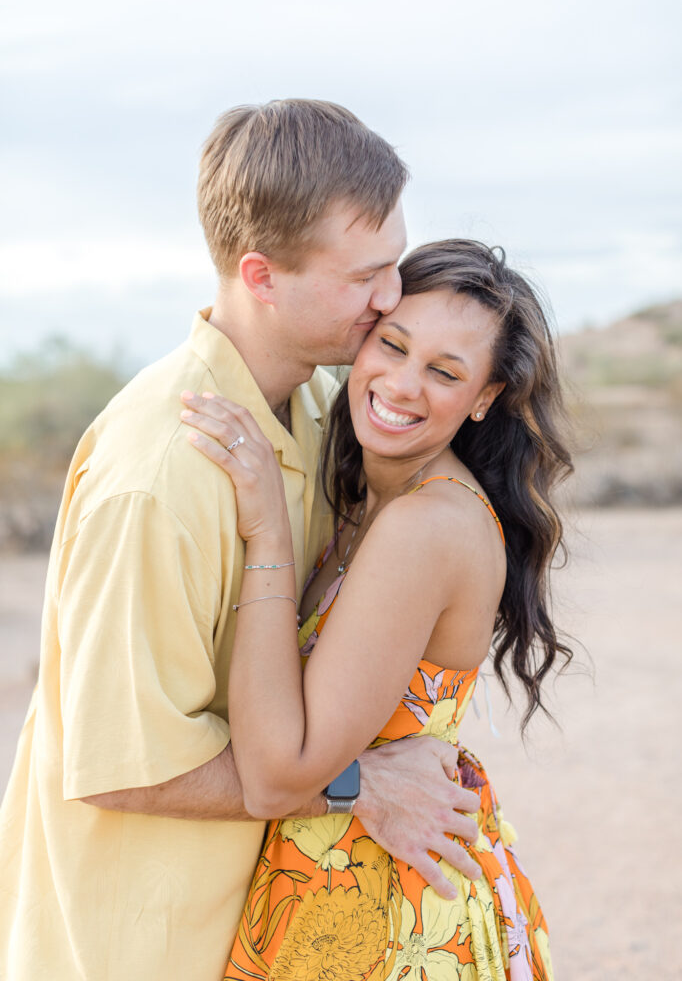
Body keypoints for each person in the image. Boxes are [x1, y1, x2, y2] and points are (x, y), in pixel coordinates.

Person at [0, 102, 484, 981]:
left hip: (250, 928)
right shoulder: (158, 478)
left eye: (395, 266)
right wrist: (358, 783)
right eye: (365, 276)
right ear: (261, 275)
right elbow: (116, 765)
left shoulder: (311, 408)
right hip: (138, 946)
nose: (390, 298)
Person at [180, 238, 573, 980]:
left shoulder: (425, 526)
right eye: (392, 345)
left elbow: (277, 774)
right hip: (341, 884)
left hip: (380, 918)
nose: (402, 384)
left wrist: (264, 529)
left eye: (446, 372)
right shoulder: (376, 496)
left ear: (485, 398)